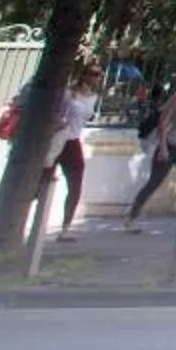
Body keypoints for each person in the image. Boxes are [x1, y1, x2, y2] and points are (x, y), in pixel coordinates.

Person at [122, 70, 176, 228]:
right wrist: (163, 148)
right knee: (154, 182)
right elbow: (163, 122)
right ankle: (132, 217)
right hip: (171, 145)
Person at [49, 62, 100, 238]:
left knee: (75, 186)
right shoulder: (68, 93)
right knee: (42, 181)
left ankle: (65, 228)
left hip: (73, 141)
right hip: (57, 140)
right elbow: (54, 112)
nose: (95, 78)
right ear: (83, 74)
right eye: (91, 74)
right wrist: (58, 122)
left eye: (97, 74)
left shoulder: (93, 97)